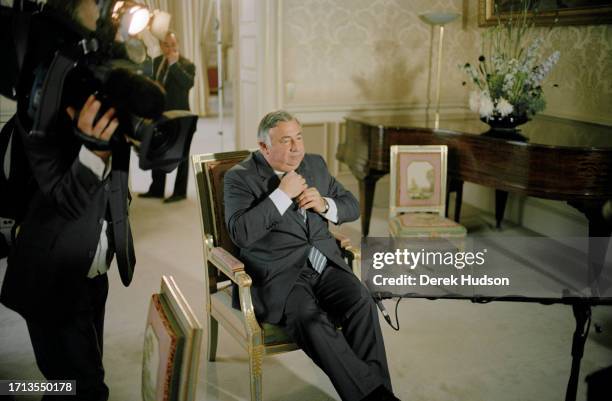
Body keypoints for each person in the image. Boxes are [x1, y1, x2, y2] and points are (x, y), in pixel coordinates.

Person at [0, 1, 135, 400]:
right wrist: (94, 152)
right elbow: (67, 198)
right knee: (87, 387)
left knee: (71, 380)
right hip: (51, 280)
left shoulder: (99, 112)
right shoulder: (36, 126)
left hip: (93, 270)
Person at [224, 110, 401, 401]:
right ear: (264, 147)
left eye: (299, 137)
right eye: (286, 140)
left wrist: (325, 204)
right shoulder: (239, 178)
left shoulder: (315, 164)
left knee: (362, 301)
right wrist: (281, 195)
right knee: (309, 320)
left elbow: (351, 205)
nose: (297, 147)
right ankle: (380, 397)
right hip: (280, 276)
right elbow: (241, 233)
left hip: (325, 264)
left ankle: (375, 395)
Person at [139, 31, 195, 203]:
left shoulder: (187, 64)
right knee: (158, 151)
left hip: (181, 116)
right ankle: (157, 189)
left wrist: (173, 65)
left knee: (181, 154)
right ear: (161, 46)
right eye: (166, 45)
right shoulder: (156, 62)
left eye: (173, 44)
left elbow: (188, 84)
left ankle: (179, 192)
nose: (170, 48)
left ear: (177, 44)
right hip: (160, 115)